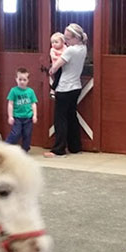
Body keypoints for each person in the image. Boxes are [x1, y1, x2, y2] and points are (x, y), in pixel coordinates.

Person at [44, 23, 87, 158]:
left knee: (60, 118)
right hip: (76, 86)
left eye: (68, 39)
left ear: (75, 38)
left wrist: (50, 69)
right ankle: (75, 146)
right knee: (71, 116)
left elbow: (55, 67)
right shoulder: (83, 48)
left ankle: (58, 149)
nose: (66, 41)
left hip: (64, 87)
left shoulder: (70, 51)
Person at [5, 67, 38, 152]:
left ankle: (25, 149)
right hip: (17, 117)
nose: (22, 82)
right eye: (20, 79)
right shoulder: (13, 91)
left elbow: (33, 104)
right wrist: (10, 116)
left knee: (27, 134)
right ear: (16, 79)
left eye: (24, 79)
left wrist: (34, 115)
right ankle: (6, 147)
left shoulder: (30, 92)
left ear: (28, 80)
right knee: (16, 133)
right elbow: (10, 104)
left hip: (28, 117)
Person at [49, 31, 66, 96]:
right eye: (52, 42)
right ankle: (53, 89)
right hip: (57, 67)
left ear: (62, 42)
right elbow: (53, 56)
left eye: (56, 42)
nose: (54, 44)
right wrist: (61, 57)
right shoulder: (52, 50)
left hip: (64, 66)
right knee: (57, 78)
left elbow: (67, 54)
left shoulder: (65, 47)